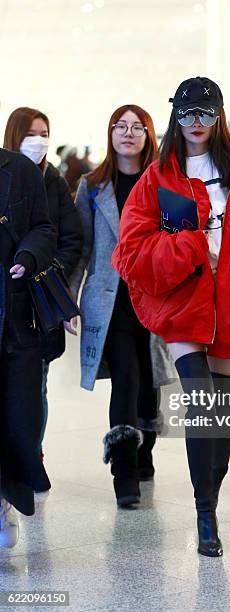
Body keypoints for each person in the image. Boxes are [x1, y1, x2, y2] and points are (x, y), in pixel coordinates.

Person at [112, 76, 230, 556]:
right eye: (189, 113)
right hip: (183, 302)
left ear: (218, 115)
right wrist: (189, 244)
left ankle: (211, 492)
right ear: (176, 116)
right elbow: (132, 249)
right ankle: (205, 516)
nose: (197, 122)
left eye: (207, 112)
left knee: (221, 413)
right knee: (200, 401)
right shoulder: (158, 177)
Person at [70, 104, 175, 508]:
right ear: (110, 134)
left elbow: (182, 242)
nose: (128, 133)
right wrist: (69, 300)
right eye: (120, 126)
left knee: (150, 388)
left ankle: (143, 452)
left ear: (149, 135)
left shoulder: (167, 182)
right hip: (109, 302)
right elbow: (81, 247)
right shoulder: (92, 186)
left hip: (155, 300)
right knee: (127, 381)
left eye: (137, 127)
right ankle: (124, 472)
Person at [3, 107, 83, 462]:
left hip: (41, 296)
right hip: (9, 292)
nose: (38, 142)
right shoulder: (10, 176)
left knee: (36, 382)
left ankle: (30, 456)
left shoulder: (53, 182)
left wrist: (48, 269)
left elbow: (69, 235)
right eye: (30, 134)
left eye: (44, 134)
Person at [0, 147, 56, 548]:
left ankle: (5, 496)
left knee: (19, 417)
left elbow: (44, 227)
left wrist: (29, 254)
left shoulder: (18, 169)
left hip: (14, 317)